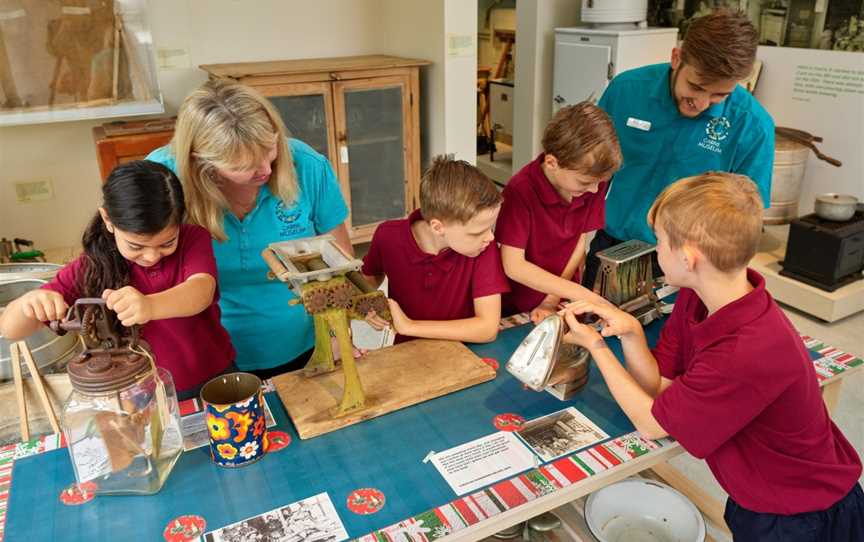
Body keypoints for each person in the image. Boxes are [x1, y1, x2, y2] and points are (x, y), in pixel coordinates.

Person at [561, 173, 862, 542]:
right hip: (753, 493)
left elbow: (654, 425)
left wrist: (597, 346)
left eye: (659, 243)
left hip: (799, 514)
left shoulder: (750, 349)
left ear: (688, 257)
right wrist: (631, 332)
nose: (656, 252)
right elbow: (660, 387)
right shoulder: (698, 295)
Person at [146, 79, 351, 379]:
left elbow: (341, 263)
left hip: (302, 343)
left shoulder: (306, 166)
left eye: (270, 150)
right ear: (201, 162)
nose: (267, 170)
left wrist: (339, 336)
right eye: (245, 166)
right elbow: (136, 262)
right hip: (206, 353)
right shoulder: (163, 178)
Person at [0, 161, 235, 400]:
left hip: (213, 376)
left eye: (166, 243)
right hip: (142, 392)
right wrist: (29, 303)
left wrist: (149, 306)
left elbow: (201, 291)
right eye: (136, 246)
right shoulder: (92, 266)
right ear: (108, 220)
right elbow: (10, 329)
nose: (151, 256)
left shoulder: (193, 239)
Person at [583, 9, 775, 289]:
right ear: (676, 58)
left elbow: (746, 221)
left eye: (720, 95)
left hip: (691, 265)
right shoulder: (626, 90)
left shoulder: (752, 126)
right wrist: (573, 241)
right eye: (696, 87)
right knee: (592, 325)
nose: (702, 102)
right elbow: (590, 171)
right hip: (613, 244)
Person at [496, 102, 620, 322]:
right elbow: (513, 265)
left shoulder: (593, 180)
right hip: (518, 302)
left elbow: (578, 244)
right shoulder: (520, 191)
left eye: (598, 183)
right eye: (585, 182)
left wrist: (552, 299)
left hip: (560, 295)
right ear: (552, 162)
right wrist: (582, 294)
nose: (593, 190)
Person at [363, 156, 508, 343]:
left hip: (466, 354)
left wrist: (409, 326)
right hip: (409, 355)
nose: (491, 237)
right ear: (438, 227)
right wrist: (368, 304)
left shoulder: (482, 248)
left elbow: (487, 329)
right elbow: (369, 278)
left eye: (491, 227)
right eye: (477, 232)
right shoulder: (387, 236)